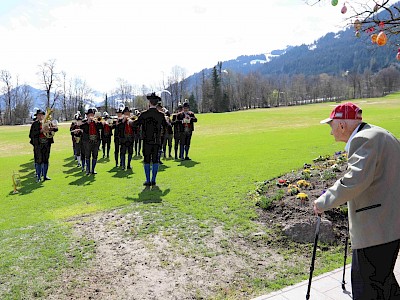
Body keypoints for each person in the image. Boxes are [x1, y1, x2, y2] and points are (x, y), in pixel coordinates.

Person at [313, 102, 400, 300]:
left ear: (342, 125)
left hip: (376, 229)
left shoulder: (363, 139)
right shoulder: (378, 133)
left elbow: (353, 182)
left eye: (331, 125)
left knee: (367, 289)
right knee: (384, 284)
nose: (331, 132)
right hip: (389, 224)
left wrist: (322, 202)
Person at [135, 92, 167, 186]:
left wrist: (129, 121)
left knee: (147, 160)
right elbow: (167, 126)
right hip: (157, 141)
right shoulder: (161, 115)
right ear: (157, 103)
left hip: (146, 141)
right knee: (156, 160)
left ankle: (148, 180)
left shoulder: (144, 114)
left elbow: (135, 124)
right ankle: (153, 180)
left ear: (149, 102)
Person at [29, 109, 58, 182]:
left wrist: (50, 128)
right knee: (38, 160)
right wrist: (41, 131)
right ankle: (38, 177)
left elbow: (56, 129)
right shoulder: (34, 124)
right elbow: (31, 135)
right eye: (39, 115)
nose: (40, 116)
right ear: (37, 116)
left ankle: (45, 176)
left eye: (42, 115)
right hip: (38, 144)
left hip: (47, 144)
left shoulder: (48, 122)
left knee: (46, 160)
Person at [81, 108, 103, 175]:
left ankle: (93, 169)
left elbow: (101, 127)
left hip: (96, 141)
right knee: (87, 156)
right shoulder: (84, 122)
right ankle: (88, 169)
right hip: (87, 141)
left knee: (95, 155)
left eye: (92, 114)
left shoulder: (97, 122)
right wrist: (88, 122)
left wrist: (97, 122)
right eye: (89, 114)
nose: (91, 116)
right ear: (87, 115)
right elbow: (81, 127)